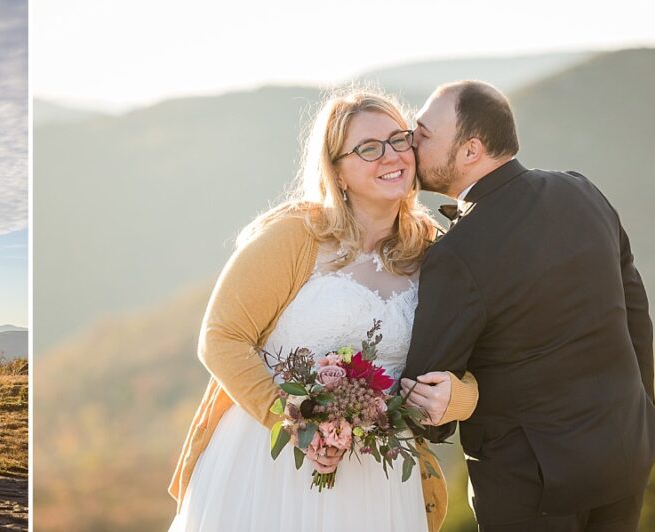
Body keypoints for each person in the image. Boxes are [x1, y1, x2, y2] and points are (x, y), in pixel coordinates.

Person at [168, 86, 478, 532]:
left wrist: (458, 399)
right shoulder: (296, 237)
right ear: (338, 171)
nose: (391, 156)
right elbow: (220, 337)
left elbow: (481, 361)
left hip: (379, 481)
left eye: (399, 139)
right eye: (368, 148)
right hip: (271, 466)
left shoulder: (435, 252)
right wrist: (294, 422)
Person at [398, 80, 655, 532]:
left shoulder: (458, 253)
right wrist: (642, 413)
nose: (410, 140)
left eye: (423, 133)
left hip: (529, 489)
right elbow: (635, 312)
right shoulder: (583, 192)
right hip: (625, 455)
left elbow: (424, 396)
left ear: (470, 151)